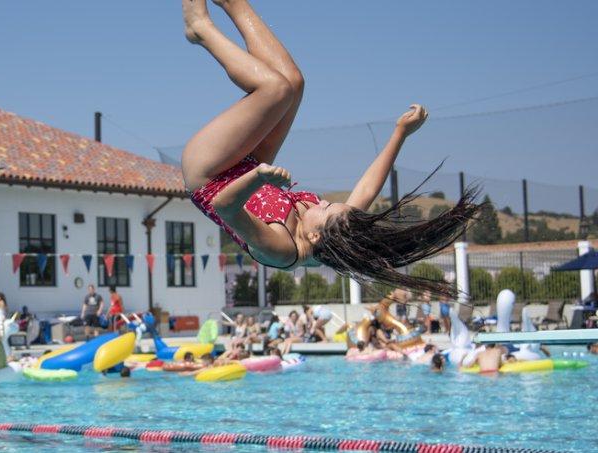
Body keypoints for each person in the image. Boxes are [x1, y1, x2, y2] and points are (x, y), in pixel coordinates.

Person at [179, 0, 478, 297]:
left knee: (275, 90)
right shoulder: (336, 229)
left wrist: (258, 178)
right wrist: (400, 134)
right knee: (294, 84)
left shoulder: (282, 251)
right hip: (248, 163)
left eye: (324, 209)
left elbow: (225, 207)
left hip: (211, 175)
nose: (320, 203)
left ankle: (201, 28)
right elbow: (366, 190)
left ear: (313, 235)